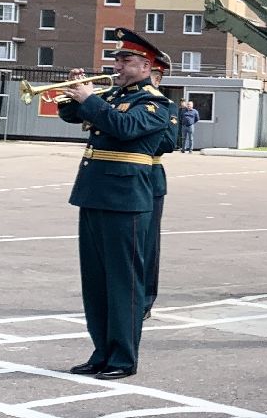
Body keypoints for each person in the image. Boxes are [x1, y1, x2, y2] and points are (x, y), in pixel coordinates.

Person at [57, 27, 172, 379]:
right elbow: (71, 116)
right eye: (117, 59)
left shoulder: (155, 103)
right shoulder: (110, 95)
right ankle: (101, 350)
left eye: (126, 60)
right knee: (95, 280)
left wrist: (90, 99)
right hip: (94, 192)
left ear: (147, 65)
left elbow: (122, 127)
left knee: (124, 280)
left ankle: (123, 356)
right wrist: (72, 95)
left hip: (126, 198)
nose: (118, 65)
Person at [142, 51, 179, 320]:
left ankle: (144, 300)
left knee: (147, 245)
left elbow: (167, 143)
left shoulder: (166, 106)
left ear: (156, 77)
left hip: (150, 175)